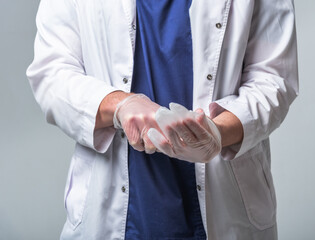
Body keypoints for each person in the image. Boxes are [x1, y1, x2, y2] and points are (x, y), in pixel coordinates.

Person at [27, 0, 298, 239]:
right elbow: (51, 73)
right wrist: (119, 104)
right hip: (113, 208)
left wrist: (219, 132)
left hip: (224, 204)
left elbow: (273, 77)